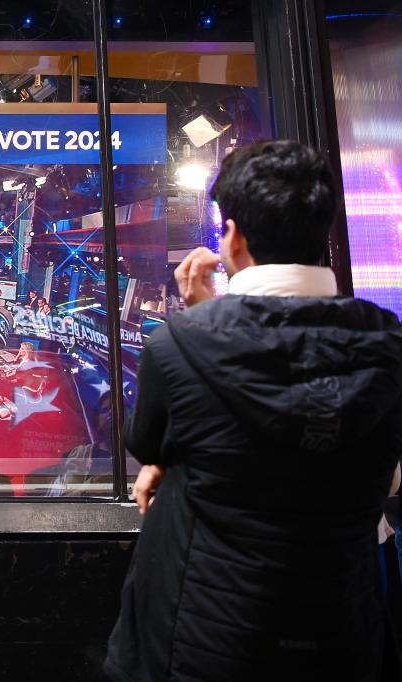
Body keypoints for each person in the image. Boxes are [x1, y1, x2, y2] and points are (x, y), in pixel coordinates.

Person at [105, 141, 402, 681]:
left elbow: (148, 441)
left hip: (200, 641)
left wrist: (201, 319)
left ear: (234, 237)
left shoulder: (177, 345)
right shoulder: (388, 346)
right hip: (340, 639)